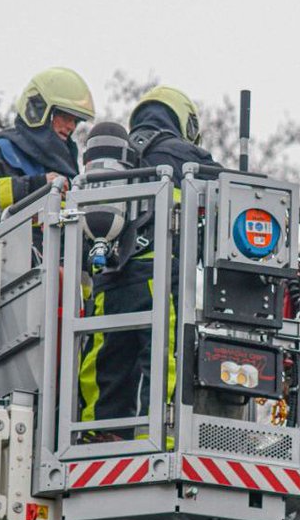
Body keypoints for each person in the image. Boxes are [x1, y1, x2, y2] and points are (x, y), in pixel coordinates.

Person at [78, 86, 220, 441]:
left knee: (105, 360)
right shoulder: (180, 152)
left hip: (109, 275)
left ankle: (99, 435)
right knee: (162, 357)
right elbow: (232, 191)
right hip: (157, 275)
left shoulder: (120, 156)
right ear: (182, 120)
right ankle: (161, 439)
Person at [0, 67, 95, 226]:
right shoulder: (5, 152)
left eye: (75, 121)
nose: (71, 127)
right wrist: (34, 186)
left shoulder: (69, 169)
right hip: (13, 249)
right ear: (39, 111)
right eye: (65, 117)